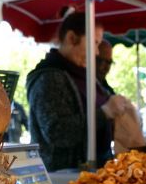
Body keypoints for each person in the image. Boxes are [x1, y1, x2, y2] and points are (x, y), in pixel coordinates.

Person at [27, 9, 114, 170]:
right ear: (71, 38)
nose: (96, 52)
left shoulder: (86, 76)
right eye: (94, 43)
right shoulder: (48, 79)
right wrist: (104, 113)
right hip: (64, 178)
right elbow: (57, 133)